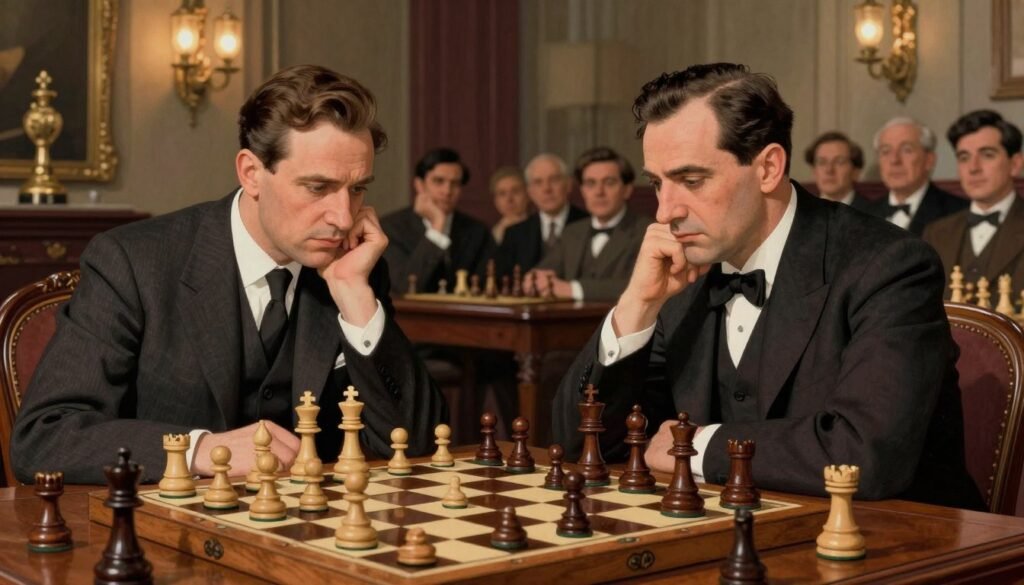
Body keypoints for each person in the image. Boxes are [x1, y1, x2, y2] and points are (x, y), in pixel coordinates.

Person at [551, 63, 982, 509]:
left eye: (691, 180)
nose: (664, 212)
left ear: (768, 168)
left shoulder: (888, 265)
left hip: (900, 545)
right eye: (658, 184)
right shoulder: (684, 276)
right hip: (734, 541)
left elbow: (863, 455)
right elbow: (581, 443)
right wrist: (636, 306)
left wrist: (696, 447)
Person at [10, 65, 448, 485]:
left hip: (312, 538)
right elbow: (44, 436)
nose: (341, 216)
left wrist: (356, 298)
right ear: (251, 173)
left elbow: (421, 444)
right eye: (318, 188)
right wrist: (199, 450)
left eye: (357, 189)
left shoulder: (356, 267)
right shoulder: (133, 262)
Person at [527, 146, 650, 302]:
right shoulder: (572, 232)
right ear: (583, 191)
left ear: (627, 189)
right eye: (591, 183)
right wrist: (534, 280)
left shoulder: (647, 231)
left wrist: (572, 289)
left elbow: (643, 286)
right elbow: (540, 272)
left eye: (609, 182)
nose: (599, 192)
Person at [924, 110, 1024, 294]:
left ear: (1015, 164)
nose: (973, 168)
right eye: (964, 157)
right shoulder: (936, 233)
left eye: (987, 155)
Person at [380, 148, 495, 295]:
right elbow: (404, 288)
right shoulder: (391, 227)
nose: (447, 191)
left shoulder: (478, 231)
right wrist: (436, 229)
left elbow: (486, 287)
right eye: (438, 181)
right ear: (419, 185)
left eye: (455, 183)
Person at [860, 117, 968, 235]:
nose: (894, 160)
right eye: (885, 151)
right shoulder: (861, 215)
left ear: (929, 160)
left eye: (906, 150)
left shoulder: (959, 212)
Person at [497, 153, 587, 276]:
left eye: (554, 180)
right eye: (538, 182)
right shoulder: (514, 234)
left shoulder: (589, 224)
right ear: (530, 191)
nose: (546, 189)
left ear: (568, 185)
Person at [803, 131, 869, 209]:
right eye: (822, 162)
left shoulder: (872, 215)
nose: (829, 170)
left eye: (839, 162)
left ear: (855, 172)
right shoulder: (802, 211)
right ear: (814, 171)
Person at [489, 166, 531, 244]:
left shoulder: (541, 229)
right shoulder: (489, 236)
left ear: (528, 195)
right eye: (502, 193)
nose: (509, 199)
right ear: (496, 201)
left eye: (515, 191)